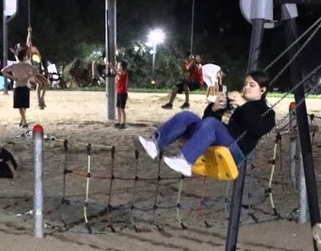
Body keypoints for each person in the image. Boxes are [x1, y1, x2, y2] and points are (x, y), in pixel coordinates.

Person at [140, 71, 277, 177]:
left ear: (262, 90)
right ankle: (155, 144)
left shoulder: (267, 112)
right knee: (187, 116)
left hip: (236, 149)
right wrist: (215, 108)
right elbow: (206, 124)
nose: (246, 87)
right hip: (221, 138)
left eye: (252, 85)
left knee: (212, 124)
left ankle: (185, 160)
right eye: (245, 84)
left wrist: (243, 103)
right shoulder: (238, 104)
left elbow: (257, 129)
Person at [0, 59, 44, 128]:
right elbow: (35, 70)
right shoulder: (27, 65)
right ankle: (23, 120)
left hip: (17, 86)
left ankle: (24, 121)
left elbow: (3, 71)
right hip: (26, 86)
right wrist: (28, 77)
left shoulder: (14, 65)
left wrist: (13, 78)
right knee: (24, 105)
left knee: (20, 106)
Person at [114, 60, 130, 129]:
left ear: (122, 66)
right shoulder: (119, 73)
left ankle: (124, 123)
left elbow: (117, 73)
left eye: (119, 65)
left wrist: (111, 66)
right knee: (118, 107)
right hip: (119, 93)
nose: (118, 66)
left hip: (123, 93)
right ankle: (119, 122)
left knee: (122, 108)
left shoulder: (124, 73)